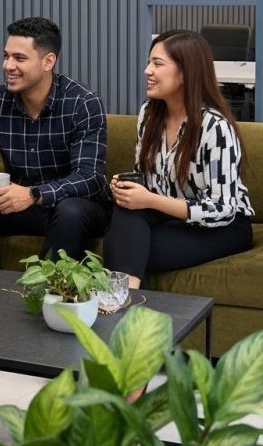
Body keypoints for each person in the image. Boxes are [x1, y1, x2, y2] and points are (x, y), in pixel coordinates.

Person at [0, 16, 111, 268]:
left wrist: (34, 194)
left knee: (71, 212)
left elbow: (90, 178)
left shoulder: (83, 103)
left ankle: (44, 288)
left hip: (72, 207)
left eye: (19, 58)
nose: (8, 66)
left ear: (48, 61)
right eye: (6, 56)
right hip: (20, 205)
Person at [104, 30, 253, 289]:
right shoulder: (149, 114)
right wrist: (128, 188)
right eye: (149, 62)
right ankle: (125, 299)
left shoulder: (214, 127)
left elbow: (223, 209)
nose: (147, 71)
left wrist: (149, 200)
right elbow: (146, 178)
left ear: (185, 73)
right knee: (126, 218)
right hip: (168, 216)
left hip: (222, 226)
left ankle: (120, 300)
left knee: (131, 248)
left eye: (157, 64)